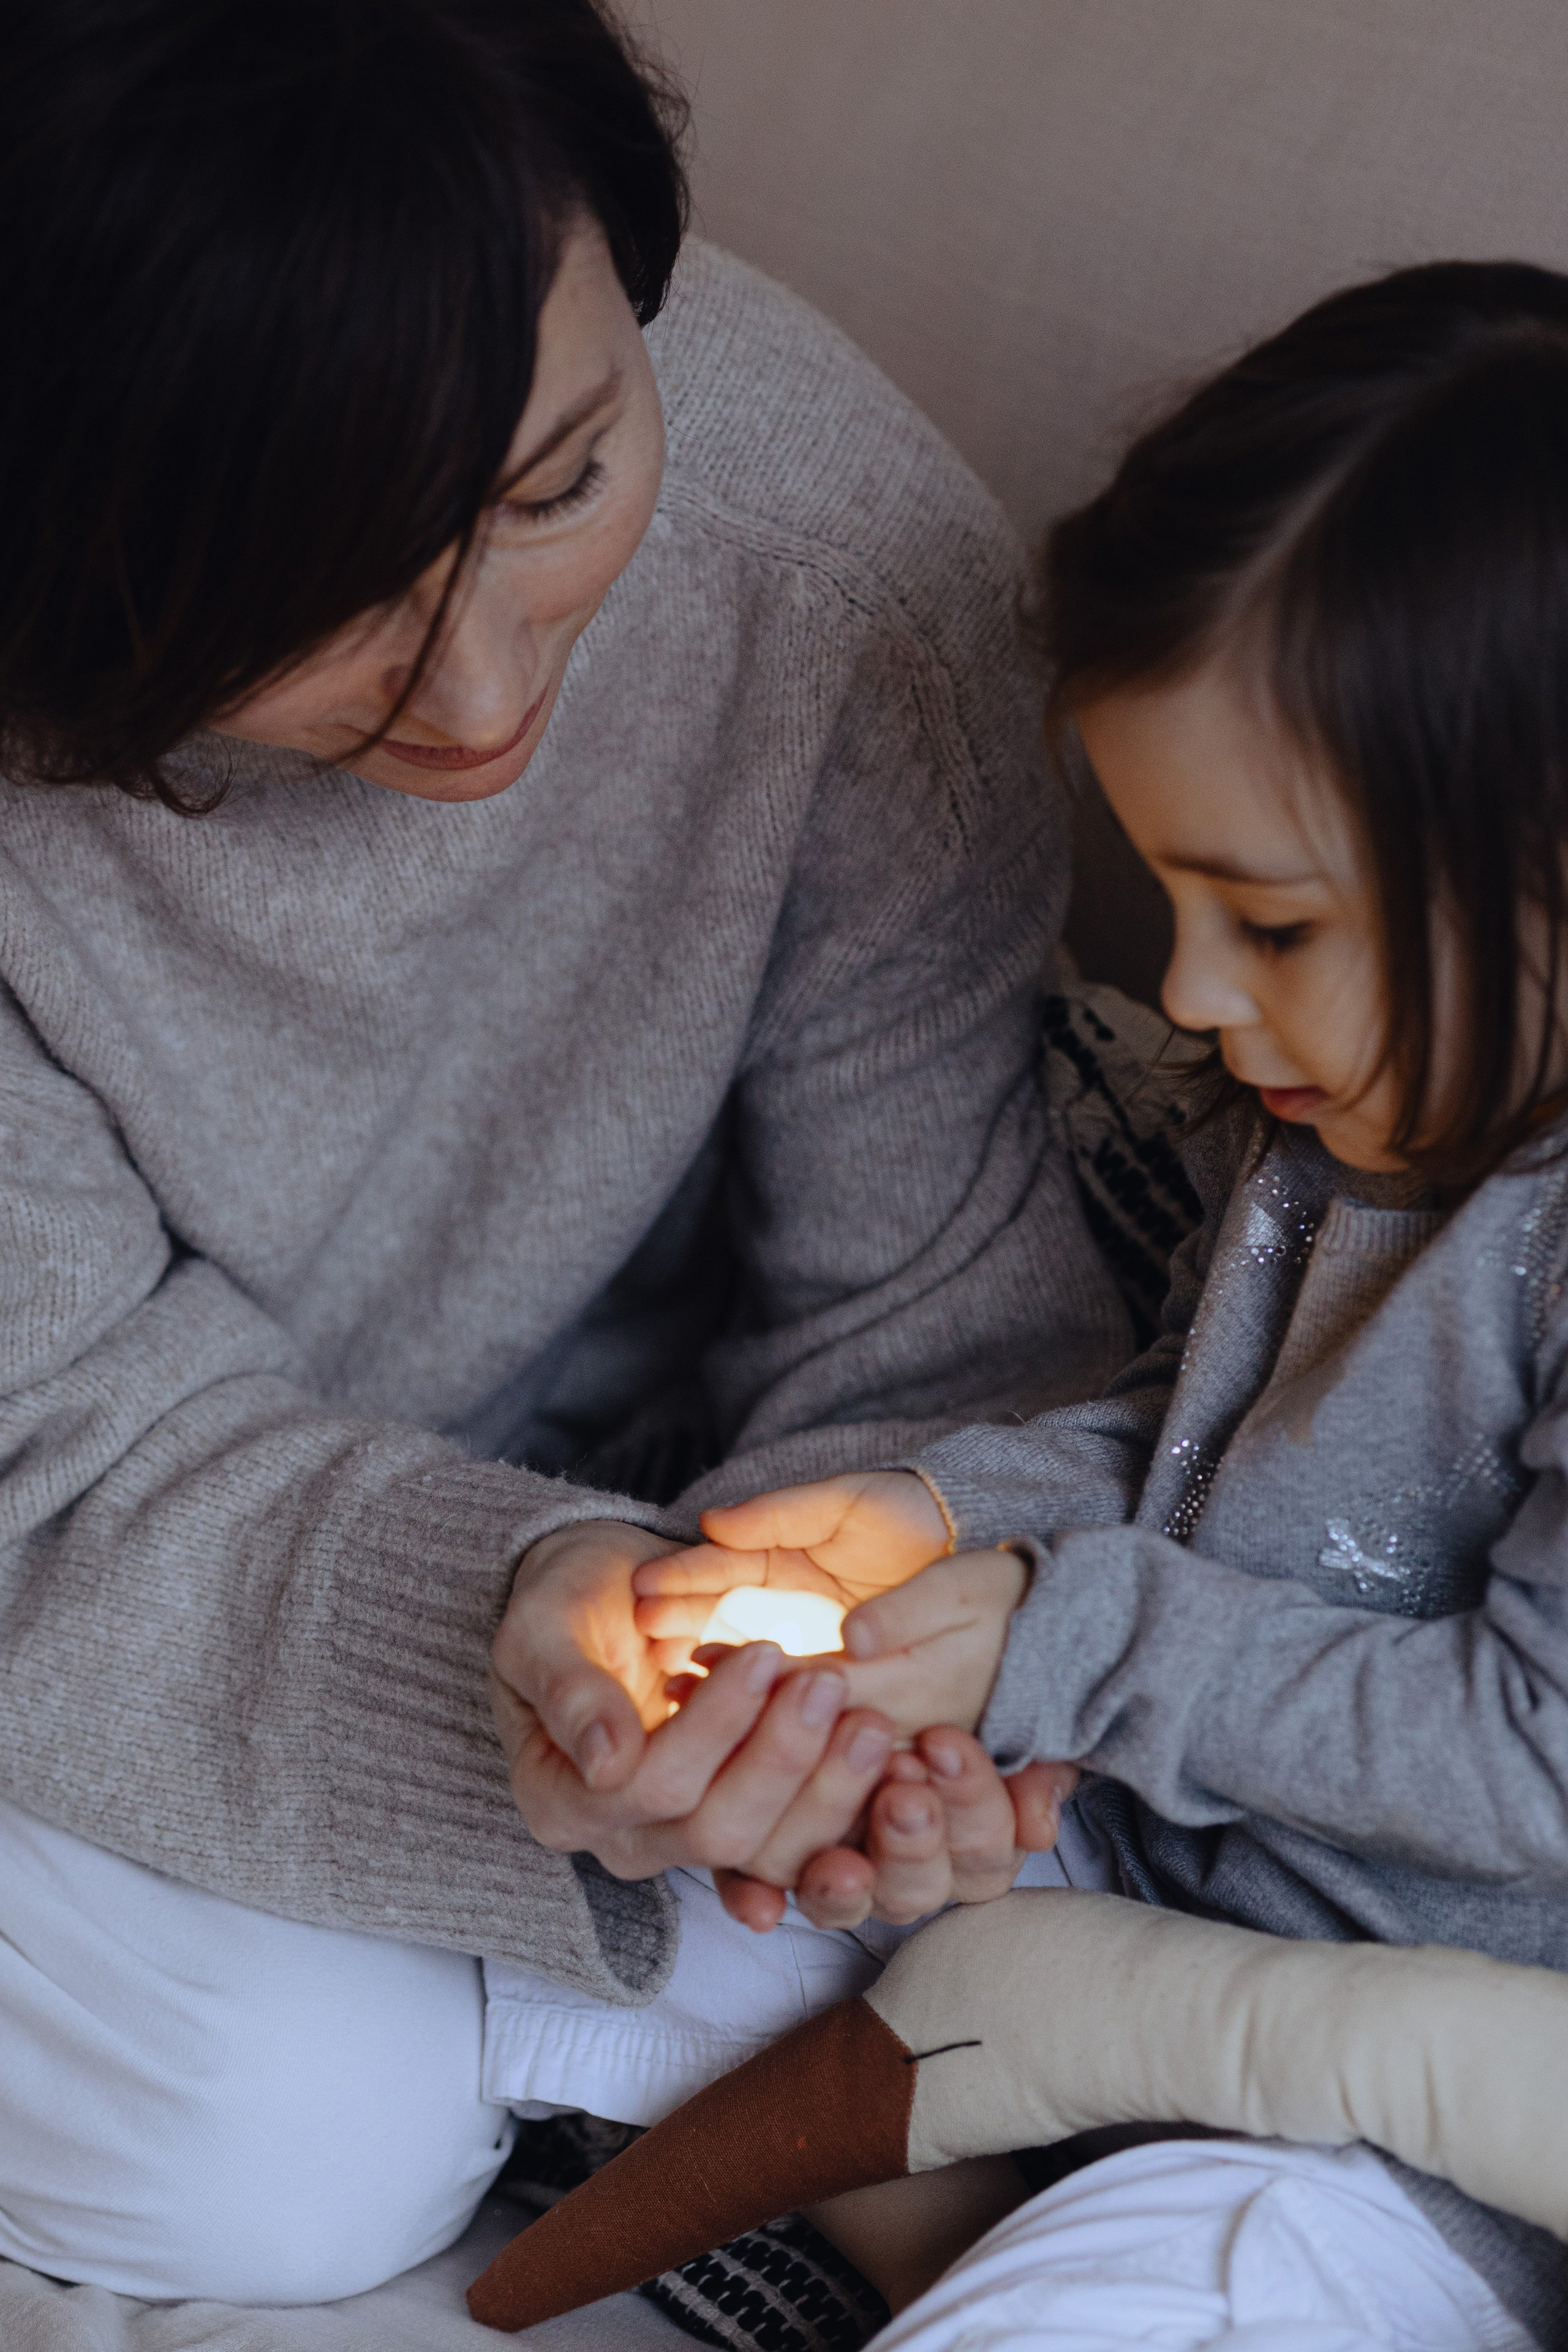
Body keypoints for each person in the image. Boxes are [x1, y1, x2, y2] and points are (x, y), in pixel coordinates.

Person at [0, 0, 1133, 2312]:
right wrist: (492, 1633)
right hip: (86, 1547)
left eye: (552, 490)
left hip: (534, 1522)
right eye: (316, 597)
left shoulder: (828, 567)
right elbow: (51, 1452)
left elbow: (947, 1306)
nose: (489, 696)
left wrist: (816, 1699)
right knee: (284, 2152)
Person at [653, 259, 1568, 2349]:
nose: (1190, 994)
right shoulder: (1363, 1105)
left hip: (1391, 2138)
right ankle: (926, 2177)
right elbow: (1211, 1448)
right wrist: (936, 1520)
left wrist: (1066, 1635)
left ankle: (983, 2229)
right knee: (668, 1864)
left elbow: (1541, 1758)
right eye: (1173, 900)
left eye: (1273, 919)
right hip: (1128, 1923)